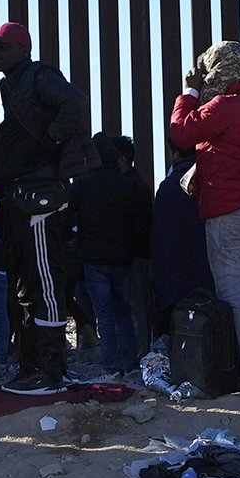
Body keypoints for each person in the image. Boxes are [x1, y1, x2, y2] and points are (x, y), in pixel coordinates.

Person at [170, 41, 240, 385]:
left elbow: (181, 133)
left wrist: (190, 92)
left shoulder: (224, 106)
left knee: (233, 296)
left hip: (227, 212)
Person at [0, 22, 85, 389]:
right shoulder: (13, 84)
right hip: (20, 197)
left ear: (24, 49)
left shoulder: (39, 75)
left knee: (44, 282)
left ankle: (51, 371)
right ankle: (30, 368)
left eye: (4, 45)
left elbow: (75, 103)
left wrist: (48, 142)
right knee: (24, 285)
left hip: (39, 197)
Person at [68, 132, 153, 364]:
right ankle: (130, 364)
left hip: (93, 259)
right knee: (124, 314)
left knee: (104, 315)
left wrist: (75, 240)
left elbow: (67, 217)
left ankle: (111, 367)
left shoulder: (83, 184)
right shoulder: (128, 185)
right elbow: (139, 225)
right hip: (122, 259)